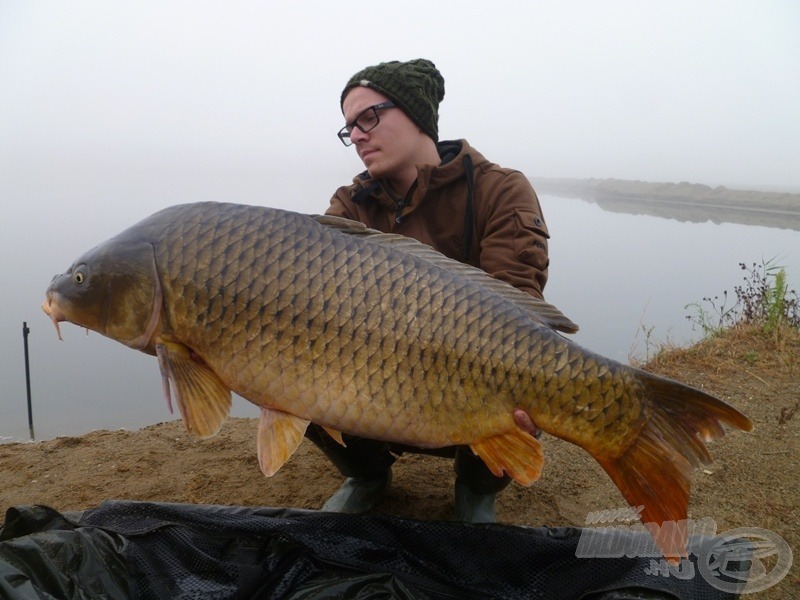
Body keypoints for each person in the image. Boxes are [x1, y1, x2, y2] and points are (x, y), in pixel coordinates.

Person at [306, 58, 550, 523]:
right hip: (374, 385)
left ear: (418, 117)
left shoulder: (500, 190)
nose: (356, 136)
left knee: (527, 378)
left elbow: (520, 310)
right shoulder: (348, 206)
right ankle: (368, 476)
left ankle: (476, 488)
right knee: (294, 367)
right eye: (348, 128)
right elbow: (316, 297)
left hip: (472, 384)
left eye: (368, 118)